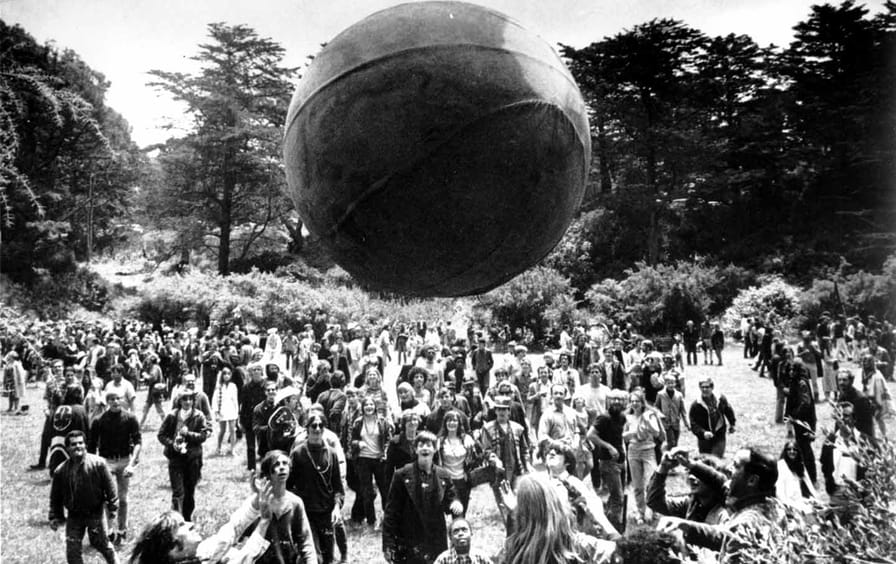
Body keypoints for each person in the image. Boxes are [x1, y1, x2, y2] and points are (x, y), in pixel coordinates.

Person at [382, 431, 463, 564]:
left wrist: (455, 502)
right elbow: (391, 512)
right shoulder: (402, 475)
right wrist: (388, 544)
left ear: (435, 449)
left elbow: (452, 496)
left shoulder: (443, 475)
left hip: (435, 538)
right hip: (409, 538)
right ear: (415, 449)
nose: (425, 448)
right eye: (421, 445)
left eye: (429, 445)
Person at [495, 473, 611, 564]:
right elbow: (618, 552)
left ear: (521, 514)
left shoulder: (514, 549)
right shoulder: (578, 546)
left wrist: (514, 515)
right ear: (558, 506)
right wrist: (601, 519)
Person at [49, 430, 119, 564]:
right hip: (74, 516)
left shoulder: (98, 464)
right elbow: (55, 497)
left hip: (95, 514)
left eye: (81, 443)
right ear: (67, 448)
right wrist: (54, 516)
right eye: (73, 444)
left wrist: (112, 507)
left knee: (103, 544)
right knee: (72, 551)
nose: (78, 446)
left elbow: (110, 488)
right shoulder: (61, 471)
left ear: (85, 445)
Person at [288, 412, 344, 564]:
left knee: (328, 557)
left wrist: (336, 508)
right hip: (307, 513)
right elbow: (288, 485)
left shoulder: (332, 454)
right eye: (314, 426)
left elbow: (338, 487)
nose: (317, 429)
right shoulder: (298, 453)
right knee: (314, 557)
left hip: (326, 512)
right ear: (307, 428)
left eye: (321, 425)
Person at [88, 390, 142, 545]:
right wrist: (93, 466)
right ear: (107, 402)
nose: (115, 402)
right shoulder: (99, 420)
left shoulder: (130, 418)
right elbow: (91, 446)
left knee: (123, 499)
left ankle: (122, 530)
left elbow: (138, 441)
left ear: (122, 400)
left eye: (118, 398)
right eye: (111, 399)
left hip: (124, 461)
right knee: (108, 499)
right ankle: (109, 530)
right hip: (106, 462)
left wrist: (132, 464)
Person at [648, 448, 728, 547]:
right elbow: (655, 501)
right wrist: (663, 467)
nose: (691, 477)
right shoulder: (691, 503)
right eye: (690, 473)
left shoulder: (724, 512)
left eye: (698, 475)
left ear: (712, 479)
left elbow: (723, 540)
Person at [543, 440, 620, 540]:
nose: (552, 453)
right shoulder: (540, 482)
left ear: (567, 462)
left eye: (558, 452)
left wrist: (611, 533)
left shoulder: (574, 483)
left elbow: (594, 507)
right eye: (549, 451)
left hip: (567, 534)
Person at [158, 390, 211, 521]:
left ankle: (187, 520)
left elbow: (203, 436)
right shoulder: (172, 415)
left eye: (190, 399)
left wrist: (188, 434)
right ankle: (177, 521)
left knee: (189, 492)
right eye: (184, 399)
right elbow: (161, 435)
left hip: (192, 459)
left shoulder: (199, 416)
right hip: (175, 459)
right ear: (179, 401)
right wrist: (172, 444)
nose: (187, 402)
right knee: (177, 493)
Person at [588, 389, 628, 531]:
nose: (616, 402)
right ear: (608, 401)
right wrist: (608, 447)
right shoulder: (604, 418)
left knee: (616, 496)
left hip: (620, 461)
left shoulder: (622, 417)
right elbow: (590, 435)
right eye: (613, 399)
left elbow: (620, 436)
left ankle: (607, 524)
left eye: (619, 399)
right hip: (608, 462)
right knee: (617, 498)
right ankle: (614, 531)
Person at [349, 396, 392, 526]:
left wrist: (385, 451)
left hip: (379, 459)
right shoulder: (358, 422)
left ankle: (388, 518)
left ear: (375, 407)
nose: (369, 407)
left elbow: (388, 439)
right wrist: (358, 443)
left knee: (384, 490)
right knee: (366, 492)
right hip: (363, 459)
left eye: (371, 404)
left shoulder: (382, 421)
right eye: (366, 405)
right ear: (362, 407)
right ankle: (371, 520)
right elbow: (351, 440)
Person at [624, 389, 665, 524]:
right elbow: (623, 436)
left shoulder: (649, 415)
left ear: (642, 403)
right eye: (632, 401)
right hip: (633, 451)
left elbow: (657, 432)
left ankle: (653, 510)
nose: (635, 404)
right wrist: (629, 434)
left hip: (648, 450)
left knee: (650, 483)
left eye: (637, 401)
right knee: (637, 485)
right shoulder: (628, 417)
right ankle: (640, 512)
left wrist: (647, 421)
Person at [436, 409, 479, 515]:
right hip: (446, 482)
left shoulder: (466, 439)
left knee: (460, 514)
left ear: (459, 423)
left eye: (454, 420)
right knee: (443, 512)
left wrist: (471, 445)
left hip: (462, 481)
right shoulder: (440, 441)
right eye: (449, 420)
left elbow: (475, 459)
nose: (452, 423)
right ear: (445, 423)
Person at [782, 356, 817, 484]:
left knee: (805, 447)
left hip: (804, 421)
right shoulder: (795, 381)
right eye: (790, 369)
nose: (791, 372)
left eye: (794, 369)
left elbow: (805, 403)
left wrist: (794, 415)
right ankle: (804, 473)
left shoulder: (801, 383)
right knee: (801, 446)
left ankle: (811, 476)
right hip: (799, 420)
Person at [689, 378, 736, 457]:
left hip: (719, 433)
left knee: (716, 458)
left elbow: (728, 410)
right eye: (702, 387)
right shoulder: (696, 404)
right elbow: (693, 423)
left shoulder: (720, 399)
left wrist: (732, 424)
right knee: (705, 459)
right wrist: (703, 433)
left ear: (712, 387)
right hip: (704, 438)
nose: (704, 389)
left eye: (707, 387)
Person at [240, 362, 268, 472]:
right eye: (254, 370)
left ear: (262, 372)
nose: (256, 371)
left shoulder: (266, 387)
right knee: (250, 447)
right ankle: (251, 469)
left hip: (263, 420)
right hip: (249, 420)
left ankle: (265, 469)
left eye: (258, 369)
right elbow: (243, 406)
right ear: (251, 373)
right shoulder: (246, 387)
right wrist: (241, 421)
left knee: (263, 446)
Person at [776, 440, 817, 511]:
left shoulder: (800, 465)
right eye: (789, 449)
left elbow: (808, 484)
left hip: (799, 500)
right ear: (785, 451)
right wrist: (785, 504)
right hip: (786, 502)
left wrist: (813, 498)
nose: (792, 451)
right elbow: (779, 489)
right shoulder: (781, 465)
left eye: (794, 449)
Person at [655, 372, 688, 450]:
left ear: (675, 384)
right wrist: (660, 415)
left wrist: (686, 422)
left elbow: (683, 410)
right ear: (665, 384)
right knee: (671, 442)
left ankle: (671, 455)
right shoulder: (660, 394)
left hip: (675, 422)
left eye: (672, 383)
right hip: (665, 423)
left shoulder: (679, 395)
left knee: (675, 442)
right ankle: (669, 454)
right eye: (669, 383)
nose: (671, 385)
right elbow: (656, 407)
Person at [212, 366, 239, 456]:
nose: (226, 376)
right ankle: (218, 448)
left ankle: (233, 449)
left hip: (231, 409)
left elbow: (235, 400)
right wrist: (216, 412)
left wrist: (237, 411)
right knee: (222, 430)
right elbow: (215, 401)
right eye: (224, 374)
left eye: (228, 374)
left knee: (232, 430)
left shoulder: (233, 386)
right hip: (222, 410)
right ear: (222, 376)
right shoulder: (219, 387)